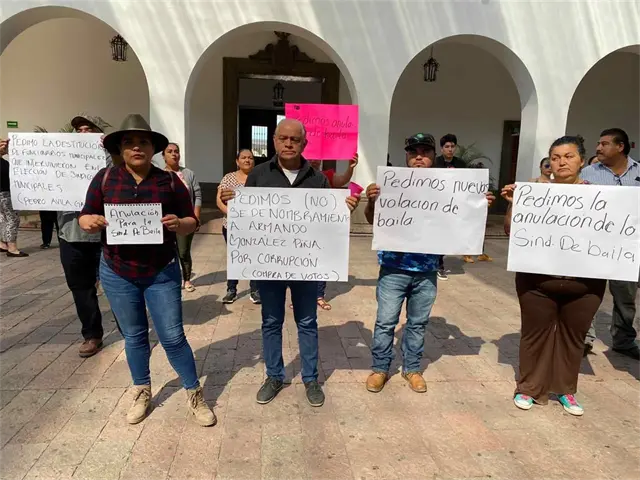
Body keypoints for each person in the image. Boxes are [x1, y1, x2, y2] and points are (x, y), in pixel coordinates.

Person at [79, 114, 215, 427]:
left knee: (173, 336)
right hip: (117, 271)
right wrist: (88, 222)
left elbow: (192, 221)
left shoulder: (169, 181)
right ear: (120, 149)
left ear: (154, 148)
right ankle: (142, 390)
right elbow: (86, 214)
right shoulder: (104, 179)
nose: (136, 147)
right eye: (129, 142)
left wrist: (180, 224)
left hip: (161, 271)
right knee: (134, 336)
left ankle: (194, 392)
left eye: (143, 142)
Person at [219, 119, 359, 408]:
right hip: (269, 265)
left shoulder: (317, 179)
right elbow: (247, 218)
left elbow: (327, 223)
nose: (288, 143)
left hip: (305, 266)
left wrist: (344, 210)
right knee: (271, 321)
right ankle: (274, 376)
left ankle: (310, 378)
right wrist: (234, 202)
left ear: (304, 143)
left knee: (307, 322)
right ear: (274, 140)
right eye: (283, 138)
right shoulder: (258, 175)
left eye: (295, 139)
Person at [364, 133, 495, 394]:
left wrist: (480, 206)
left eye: (425, 152)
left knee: (417, 323)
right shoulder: (391, 184)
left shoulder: (447, 187)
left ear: (433, 156)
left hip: (426, 271)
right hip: (393, 268)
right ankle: (380, 368)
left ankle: (412, 369)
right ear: (406, 156)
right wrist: (371, 200)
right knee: (385, 322)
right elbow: (371, 220)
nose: (419, 157)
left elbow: (461, 219)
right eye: (414, 152)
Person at [502, 135, 606, 416]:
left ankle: (565, 389)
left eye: (569, 156)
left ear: (582, 161)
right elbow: (511, 230)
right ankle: (528, 388)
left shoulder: (602, 197)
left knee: (573, 337)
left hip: (585, 285)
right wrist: (514, 204)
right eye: (556, 157)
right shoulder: (534, 192)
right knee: (534, 334)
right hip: (537, 282)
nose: (561, 162)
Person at [581, 128, 640, 360]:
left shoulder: (639, 172)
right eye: (598, 143)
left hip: (627, 248)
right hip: (593, 246)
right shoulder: (588, 173)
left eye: (604, 144)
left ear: (620, 147)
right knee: (588, 293)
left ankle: (624, 341)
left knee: (625, 297)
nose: (598, 148)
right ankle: (584, 340)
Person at [58, 115, 113, 358]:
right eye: (78, 129)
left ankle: (131, 332)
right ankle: (92, 335)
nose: (82, 133)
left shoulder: (110, 158)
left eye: (88, 129)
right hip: (70, 234)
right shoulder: (59, 158)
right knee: (81, 288)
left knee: (117, 287)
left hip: (105, 235)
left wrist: (111, 150)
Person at [309, 153, 359, 310]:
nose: (314, 160)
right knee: (304, 263)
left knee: (322, 262)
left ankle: (319, 295)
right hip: (302, 229)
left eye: (317, 157)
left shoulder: (326, 175)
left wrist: (350, 168)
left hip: (324, 228)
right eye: (311, 156)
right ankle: (302, 296)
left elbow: (342, 180)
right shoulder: (295, 178)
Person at [434, 133, 492, 267]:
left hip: (457, 203)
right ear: (441, 148)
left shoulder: (461, 164)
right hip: (439, 203)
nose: (450, 149)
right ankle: (439, 262)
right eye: (447, 146)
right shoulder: (435, 163)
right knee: (439, 232)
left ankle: (468, 252)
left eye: (452, 146)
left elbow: (467, 183)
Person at [217, 149, 260, 304]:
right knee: (234, 257)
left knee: (254, 257)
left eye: (250, 158)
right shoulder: (228, 178)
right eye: (243, 157)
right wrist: (233, 214)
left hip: (254, 227)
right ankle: (231, 290)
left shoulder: (260, 177)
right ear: (237, 161)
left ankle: (255, 290)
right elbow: (219, 200)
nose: (247, 160)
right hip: (232, 225)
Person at [163, 142, 202, 293]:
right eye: (170, 151)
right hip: (165, 222)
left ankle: (187, 279)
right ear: (163, 156)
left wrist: (195, 217)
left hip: (185, 221)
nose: (174, 154)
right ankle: (171, 279)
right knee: (168, 251)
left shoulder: (188, 174)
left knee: (183, 251)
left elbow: (197, 195)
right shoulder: (159, 175)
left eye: (176, 151)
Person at [0, 138, 28, 258]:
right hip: (5, 194)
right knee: (13, 219)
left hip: (3, 194)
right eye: (3, 144)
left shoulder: (4, 162)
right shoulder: (2, 163)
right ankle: (12, 247)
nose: (5, 146)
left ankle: (3, 244)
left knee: (3, 218)